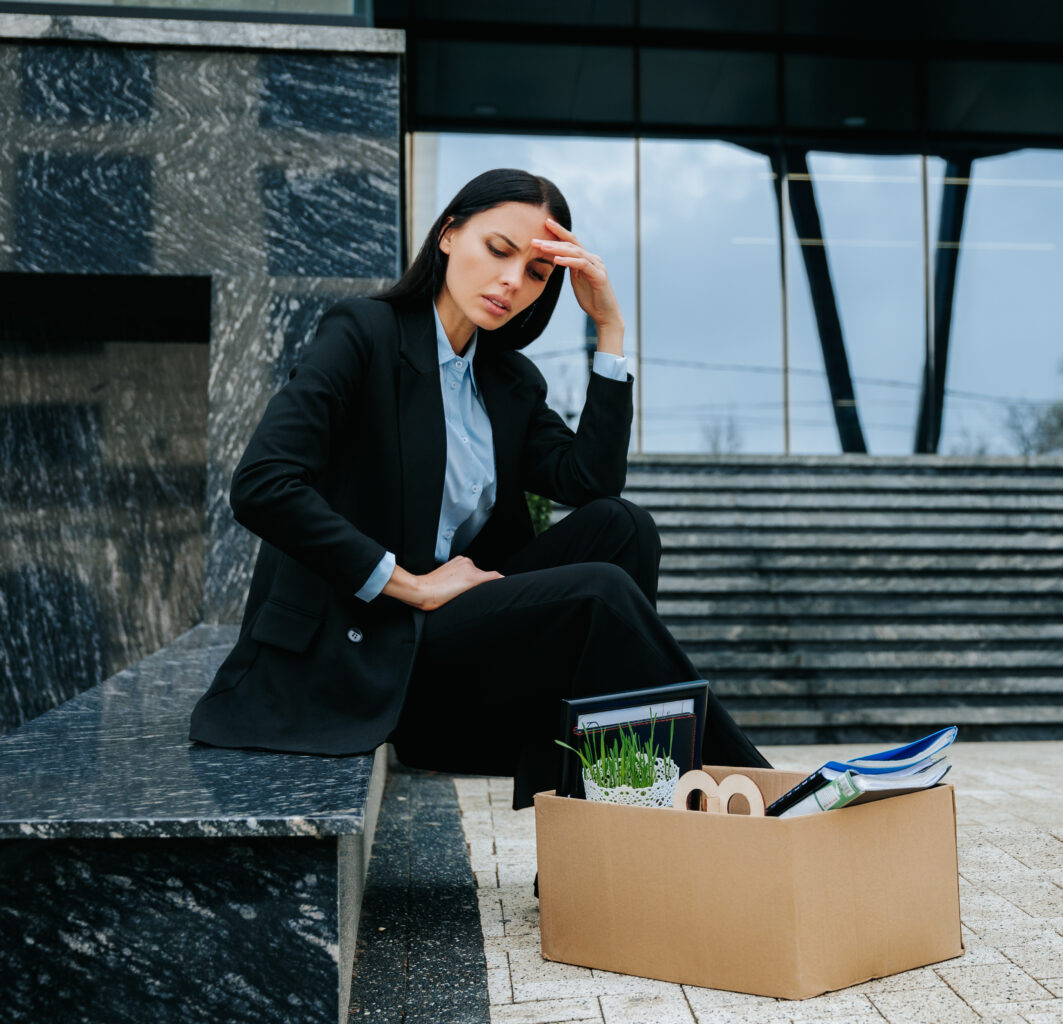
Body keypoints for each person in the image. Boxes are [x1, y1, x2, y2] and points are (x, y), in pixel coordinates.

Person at [189, 168, 771, 808]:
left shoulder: (507, 381)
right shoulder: (363, 335)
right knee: (600, 593)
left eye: (536, 274)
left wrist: (610, 331)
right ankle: (766, 795)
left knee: (625, 528)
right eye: (499, 250)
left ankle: (613, 806)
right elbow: (261, 484)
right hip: (362, 637)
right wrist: (411, 584)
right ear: (447, 234)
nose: (511, 282)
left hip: (451, 639)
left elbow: (591, 481)